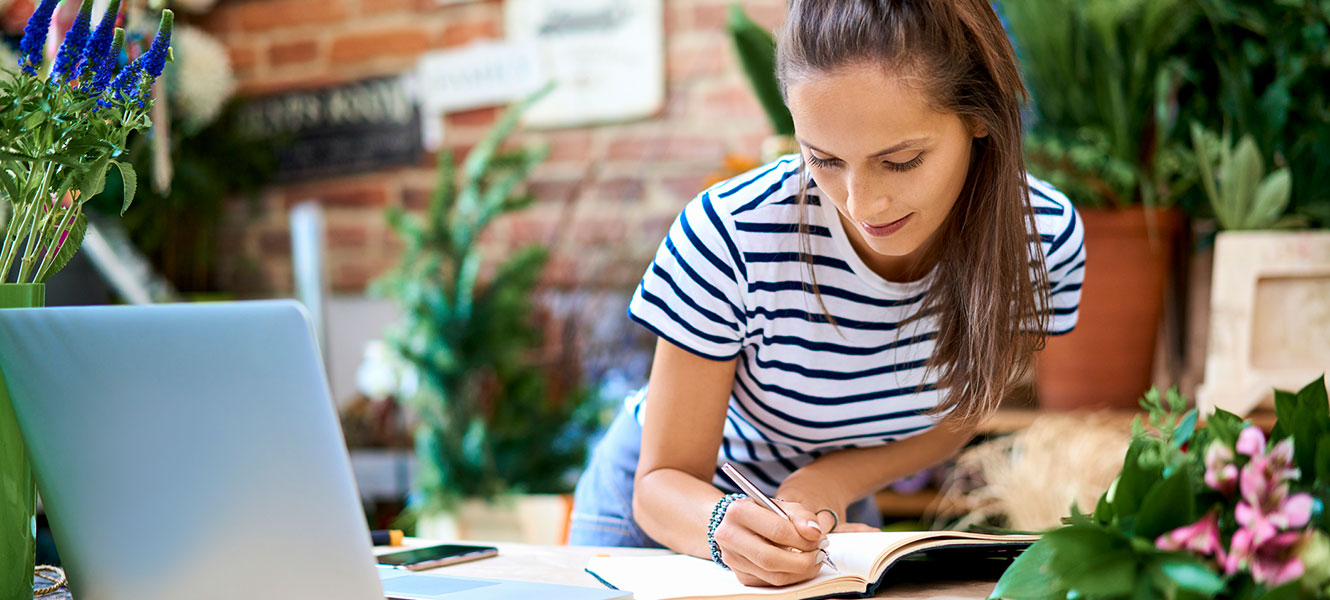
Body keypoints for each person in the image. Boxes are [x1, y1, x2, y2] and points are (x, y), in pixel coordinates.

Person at [568, 0, 1086, 588]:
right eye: (824, 159)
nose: (861, 204)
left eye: (901, 161)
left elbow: (961, 415)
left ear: (979, 116)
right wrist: (722, 526)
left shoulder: (1041, 241)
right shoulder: (733, 233)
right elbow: (659, 482)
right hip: (674, 518)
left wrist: (829, 484)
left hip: (827, 521)